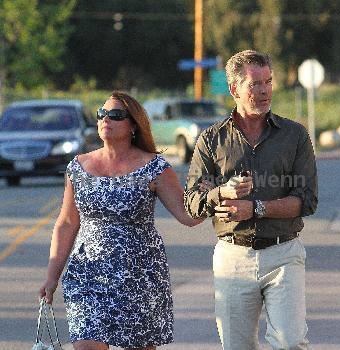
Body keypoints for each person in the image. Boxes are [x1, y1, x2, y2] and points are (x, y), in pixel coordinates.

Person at [39, 91, 209, 350]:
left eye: (116, 115)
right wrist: (52, 277)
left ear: (133, 125)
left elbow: (187, 215)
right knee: (86, 345)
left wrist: (213, 198)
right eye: (102, 114)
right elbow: (66, 223)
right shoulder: (78, 167)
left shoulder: (154, 167)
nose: (106, 119)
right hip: (88, 272)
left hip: (139, 273)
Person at [184, 50, 318, 350]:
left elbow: (306, 200)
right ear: (235, 89)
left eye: (268, 81)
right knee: (236, 346)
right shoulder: (211, 140)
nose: (264, 90)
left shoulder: (295, 135)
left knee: (290, 343)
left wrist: (254, 208)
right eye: (254, 84)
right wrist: (223, 192)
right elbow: (193, 201)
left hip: (284, 253)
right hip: (232, 256)